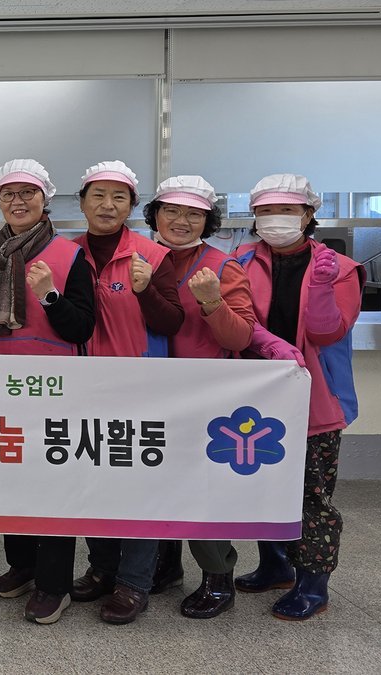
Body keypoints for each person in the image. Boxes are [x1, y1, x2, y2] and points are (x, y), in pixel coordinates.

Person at [145, 175, 304, 618]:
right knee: (157, 483)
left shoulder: (222, 266)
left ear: (208, 221)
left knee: (201, 489)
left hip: (205, 395)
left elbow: (240, 337)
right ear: (155, 215)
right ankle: (165, 565)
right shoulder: (141, 259)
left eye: (193, 214)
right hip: (149, 392)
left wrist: (213, 302)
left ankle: (218, 578)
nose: (181, 221)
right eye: (171, 211)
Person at [232, 174, 363, 621]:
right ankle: (275, 565)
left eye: (286, 210)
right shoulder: (240, 260)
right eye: (266, 210)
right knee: (260, 485)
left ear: (308, 214)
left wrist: (323, 289)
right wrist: (266, 342)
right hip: (257, 396)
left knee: (312, 495)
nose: (276, 218)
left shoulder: (339, 267)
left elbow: (328, 332)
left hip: (316, 398)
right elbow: (239, 320)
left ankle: (313, 583)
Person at [0, 159, 95, 625]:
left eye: (28, 193)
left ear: (45, 199)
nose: (18, 201)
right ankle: (22, 566)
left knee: (54, 488)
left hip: (54, 390)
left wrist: (49, 295)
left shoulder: (69, 256)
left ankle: (53, 585)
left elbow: (82, 327)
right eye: (9, 194)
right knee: (11, 483)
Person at [69, 160, 184, 625]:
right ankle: (102, 568)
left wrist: (144, 290)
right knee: (91, 480)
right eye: (98, 195)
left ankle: (135, 582)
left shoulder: (152, 256)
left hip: (139, 390)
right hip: (81, 388)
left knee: (139, 488)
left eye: (119, 197)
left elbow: (172, 322)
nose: (107, 205)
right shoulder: (66, 254)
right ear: (82, 203)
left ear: (132, 206)